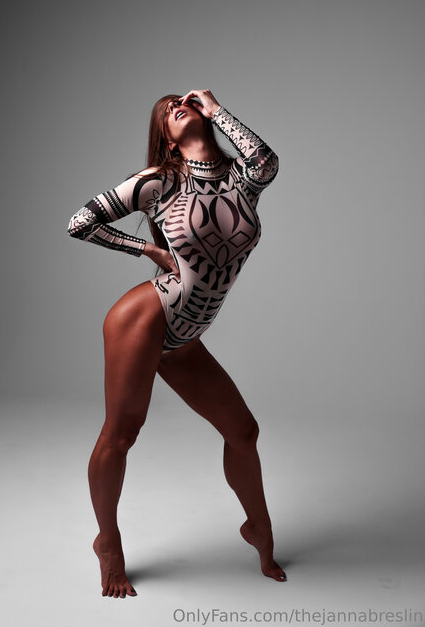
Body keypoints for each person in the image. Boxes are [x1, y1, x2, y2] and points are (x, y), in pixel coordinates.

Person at [67, 88, 286, 598]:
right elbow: (80, 223)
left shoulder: (242, 181)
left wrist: (217, 109)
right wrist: (146, 248)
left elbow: (267, 161)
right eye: (167, 111)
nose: (177, 106)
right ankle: (108, 542)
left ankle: (258, 527)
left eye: (183, 103)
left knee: (243, 431)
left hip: (186, 336)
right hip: (146, 317)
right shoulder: (160, 181)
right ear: (165, 138)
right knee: (122, 433)